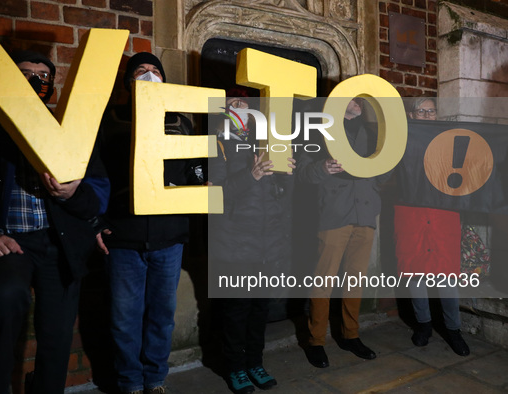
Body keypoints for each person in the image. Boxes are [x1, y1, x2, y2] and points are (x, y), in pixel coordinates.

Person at [0, 50, 110, 394]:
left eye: (42, 76)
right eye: (24, 73)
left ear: (52, 86)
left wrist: (74, 194)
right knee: (4, 298)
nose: (34, 81)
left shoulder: (71, 130)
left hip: (59, 243)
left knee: (58, 335)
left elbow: (99, 189)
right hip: (10, 241)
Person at [96, 52, 202, 394]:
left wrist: (201, 185)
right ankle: (129, 382)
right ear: (128, 82)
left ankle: (155, 380)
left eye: (155, 70)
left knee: (161, 316)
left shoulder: (180, 122)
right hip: (123, 236)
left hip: (168, 237)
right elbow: (95, 177)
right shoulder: (109, 121)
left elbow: (192, 168)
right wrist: (96, 220)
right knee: (124, 318)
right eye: (141, 70)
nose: (149, 74)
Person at [208, 89, 295, 394]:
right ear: (223, 109)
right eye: (233, 101)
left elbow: (282, 195)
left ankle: (255, 362)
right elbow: (214, 194)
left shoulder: (267, 141)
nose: (241, 105)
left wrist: (287, 174)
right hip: (234, 244)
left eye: (245, 101)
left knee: (260, 309)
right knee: (236, 311)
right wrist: (252, 175)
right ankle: (235, 368)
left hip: (266, 244)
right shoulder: (215, 141)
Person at [297, 98, 386, 368]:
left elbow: (381, 177)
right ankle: (316, 341)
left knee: (355, 280)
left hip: (365, 214)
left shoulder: (372, 134)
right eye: (352, 96)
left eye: (361, 98)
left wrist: (389, 163)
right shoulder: (318, 129)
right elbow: (302, 172)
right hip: (334, 215)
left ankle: (350, 335)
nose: (357, 101)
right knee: (323, 280)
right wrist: (322, 167)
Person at [394, 97, 470, 356]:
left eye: (431, 110)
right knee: (415, 272)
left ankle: (453, 329)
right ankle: (423, 325)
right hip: (411, 213)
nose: (427, 115)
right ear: (412, 115)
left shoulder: (450, 141)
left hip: (442, 213)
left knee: (446, 273)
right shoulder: (400, 140)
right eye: (421, 111)